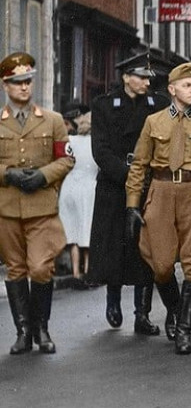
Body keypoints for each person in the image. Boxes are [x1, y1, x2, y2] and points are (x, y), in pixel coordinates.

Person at [125, 62, 191, 355]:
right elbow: (138, 166)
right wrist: (132, 204)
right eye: (188, 85)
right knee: (160, 266)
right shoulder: (154, 122)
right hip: (160, 193)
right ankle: (174, 311)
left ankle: (185, 331)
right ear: (172, 89)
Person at [87, 54, 170, 337]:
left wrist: (145, 176)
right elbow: (100, 150)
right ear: (125, 77)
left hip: (147, 185)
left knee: (144, 249)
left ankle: (142, 314)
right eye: (141, 76)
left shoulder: (158, 105)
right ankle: (113, 301)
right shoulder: (104, 105)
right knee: (114, 247)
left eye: (149, 78)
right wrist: (127, 174)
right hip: (114, 185)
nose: (147, 82)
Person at [0, 52, 75, 355]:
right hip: (6, 208)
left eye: (28, 81)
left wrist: (43, 176)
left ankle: (41, 329)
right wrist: (8, 174)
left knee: (41, 268)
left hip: (42, 206)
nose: (24, 87)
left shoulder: (54, 120)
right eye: (17, 83)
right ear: (6, 85)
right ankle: (23, 333)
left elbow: (67, 158)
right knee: (16, 269)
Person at [58, 108, 96, 289]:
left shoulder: (70, 141)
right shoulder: (95, 144)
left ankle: (75, 272)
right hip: (88, 187)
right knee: (86, 230)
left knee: (72, 232)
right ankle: (88, 270)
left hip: (69, 186)